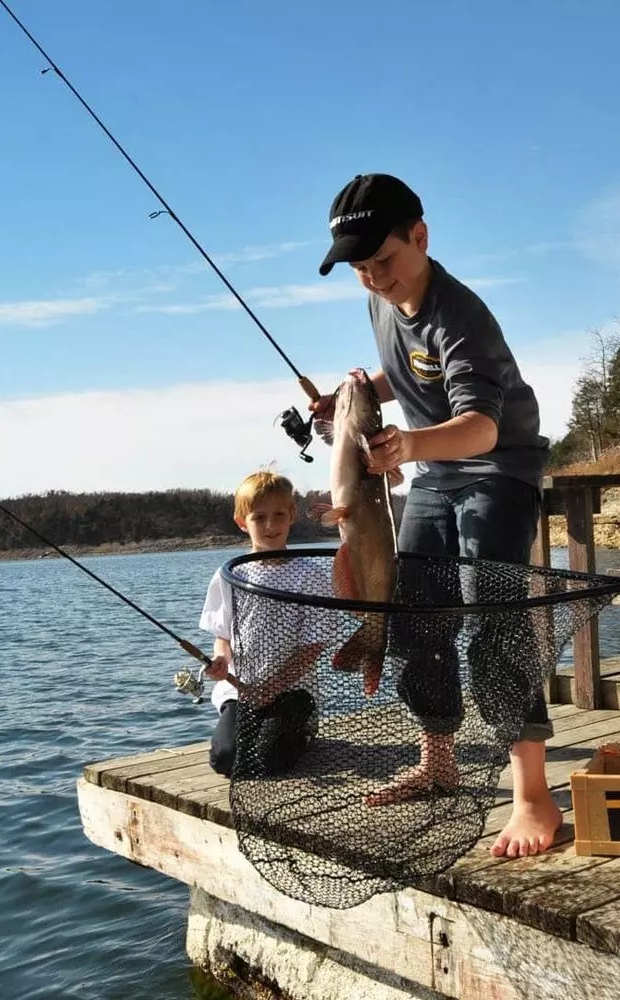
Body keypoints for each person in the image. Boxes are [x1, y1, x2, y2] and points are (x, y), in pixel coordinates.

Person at [312, 173, 558, 858]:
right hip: (431, 474)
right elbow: (412, 370)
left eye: (383, 261)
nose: (372, 279)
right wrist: (353, 403)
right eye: (359, 269)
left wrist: (407, 445)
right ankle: (438, 760)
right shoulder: (381, 300)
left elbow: (480, 426)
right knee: (414, 614)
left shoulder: (462, 316)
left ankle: (532, 795)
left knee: (493, 617)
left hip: (496, 473)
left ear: (419, 237)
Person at [199, 470, 328, 777]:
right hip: (240, 689)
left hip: (293, 690)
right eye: (259, 517)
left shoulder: (309, 576)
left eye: (279, 515)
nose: (270, 526)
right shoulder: (229, 575)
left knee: (270, 761)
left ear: (292, 516)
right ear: (242, 521)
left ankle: (303, 729)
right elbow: (223, 637)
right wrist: (220, 660)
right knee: (227, 759)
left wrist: (273, 688)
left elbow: (314, 647)